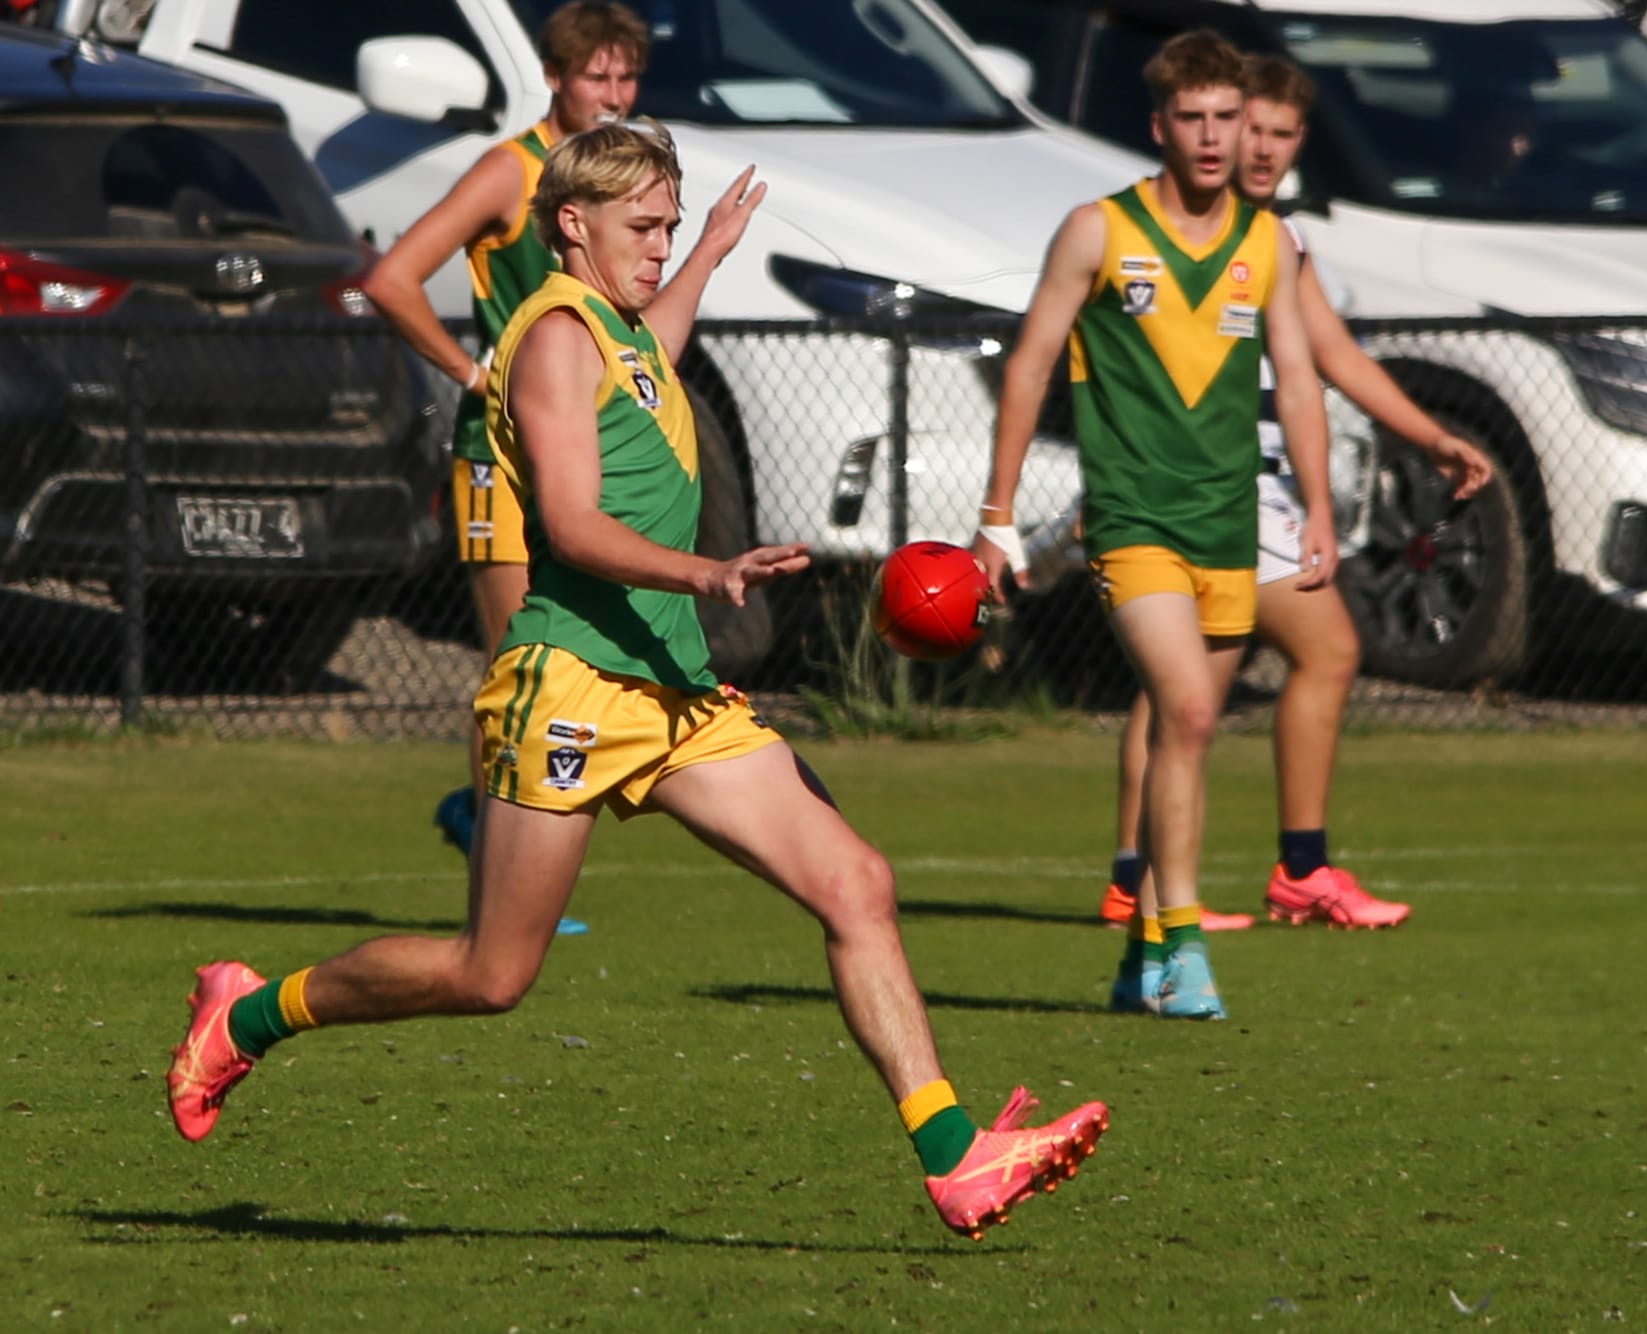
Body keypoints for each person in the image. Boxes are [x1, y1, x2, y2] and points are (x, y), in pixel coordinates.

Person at [168, 122, 1108, 1241]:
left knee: (855, 882)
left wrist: (710, 249)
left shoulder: (614, 330)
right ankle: (250, 1012)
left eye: (668, 224)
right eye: (644, 227)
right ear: (572, 223)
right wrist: (707, 567)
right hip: (570, 682)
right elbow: (568, 525)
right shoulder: (555, 342)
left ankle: (955, 1157)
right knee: (491, 972)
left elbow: (654, 342)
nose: (659, 245)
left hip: (673, 690)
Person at [974, 31, 1335, 1020]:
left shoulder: (1267, 242)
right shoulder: (1096, 229)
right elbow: (1029, 364)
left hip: (1227, 522)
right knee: (1184, 708)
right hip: (1131, 520)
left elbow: (1299, 380)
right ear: (1158, 126)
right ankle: (1181, 948)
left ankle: (1141, 957)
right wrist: (995, 519)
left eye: (1227, 117)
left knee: (1190, 735)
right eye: (1194, 118)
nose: (1215, 137)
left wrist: (1316, 506)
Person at [1100, 54, 1494, 935]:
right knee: (1317, 652)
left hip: (1249, 490)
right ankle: (1295, 869)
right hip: (1198, 489)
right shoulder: (1173, 232)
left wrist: (1429, 438)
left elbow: (1335, 359)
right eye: (1252, 130)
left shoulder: (1273, 241)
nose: (1263, 148)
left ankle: (1143, 878)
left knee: (1191, 680)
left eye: (1282, 133)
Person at [364, 2, 737, 934]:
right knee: (524, 657)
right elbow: (392, 276)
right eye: (595, 79)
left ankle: (501, 831)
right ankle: (498, 864)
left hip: (587, 436)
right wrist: (469, 370)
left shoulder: (627, 192)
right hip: (504, 459)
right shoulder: (511, 169)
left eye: (625, 80)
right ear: (555, 77)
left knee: (572, 646)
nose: (612, 96)